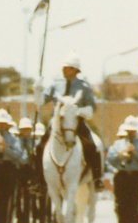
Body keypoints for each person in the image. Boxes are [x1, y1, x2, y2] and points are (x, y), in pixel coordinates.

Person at [33, 53, 102, 189]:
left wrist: (80, 111)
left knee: (92, 146)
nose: (64, 70)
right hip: (57, 123)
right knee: (40, 147)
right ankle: (39, 180)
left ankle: (97, 178)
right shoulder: (55, 85)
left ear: (75, 70)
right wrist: (37, 89)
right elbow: (40, 102)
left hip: (77, 122)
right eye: (64, 68)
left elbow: (92, 107)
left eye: (68, 68)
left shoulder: (84, 87)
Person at [106, 116, 138, 223]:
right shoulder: (118, 143)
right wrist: (120, 154)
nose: (131, 133)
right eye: (129, 130)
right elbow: (110, 158)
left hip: (135, 174)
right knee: (121, 203)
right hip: (122, 174)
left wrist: (136, 154)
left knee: (133, 203)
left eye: (133, 131)